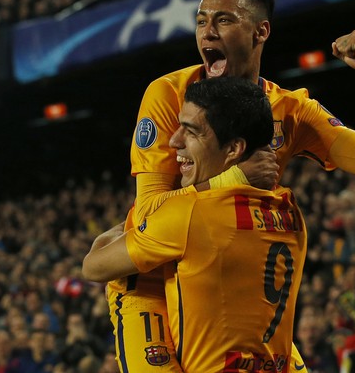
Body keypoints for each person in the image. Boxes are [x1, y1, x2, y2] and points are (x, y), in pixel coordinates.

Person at [100, 0, 355, 372]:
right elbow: (151, 214)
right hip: (156, 282)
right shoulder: (170, 95)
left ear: (260, 33)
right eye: (201, 21)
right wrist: (233, 178)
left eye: (224, 20)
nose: (207, 32)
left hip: (235, 292)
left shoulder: (290, 111)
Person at [83, 76, 308, 372]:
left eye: (191, 131)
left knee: (125, 284)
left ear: (233, 149)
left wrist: (216, 184)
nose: (174, 140)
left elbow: (94, 265)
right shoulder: (290, 209)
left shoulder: (189, 214)